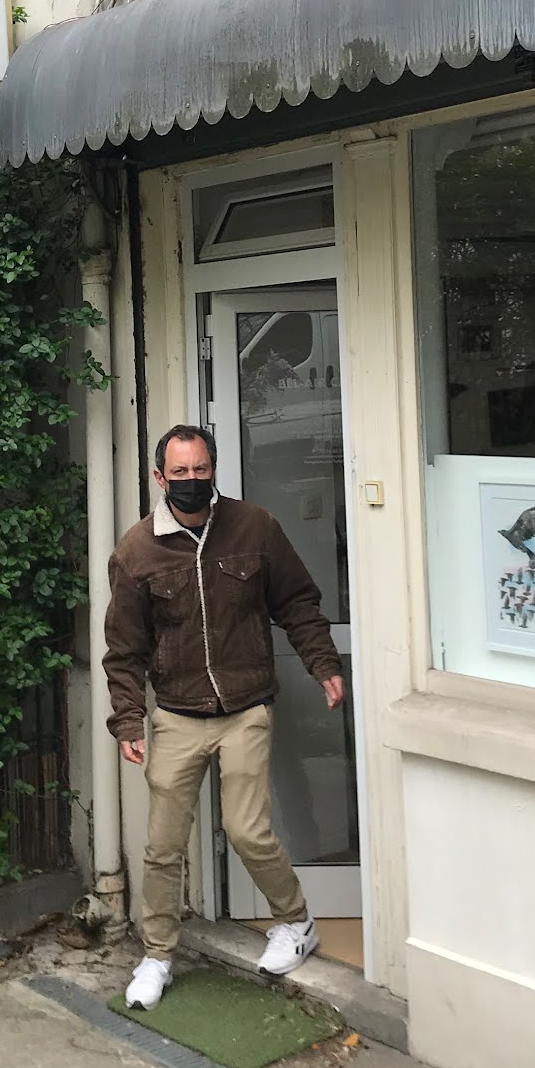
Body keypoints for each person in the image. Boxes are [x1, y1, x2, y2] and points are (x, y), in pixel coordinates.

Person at [103, 423, 346, 1011]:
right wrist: (129, 720)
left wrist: (322, 663)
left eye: (200, 469)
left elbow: (297, 601)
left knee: (246, 830)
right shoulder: (136, 551)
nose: (191, 480)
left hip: (245, 708)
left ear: (214, 470)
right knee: (163, 846)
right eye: (179, 472)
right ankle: (157, 956)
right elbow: (124, 648)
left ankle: (296, 922)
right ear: (160, 478)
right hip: (177, 716)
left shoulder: (254, 527)